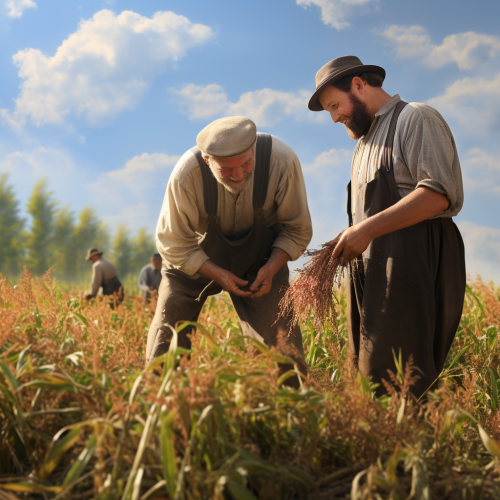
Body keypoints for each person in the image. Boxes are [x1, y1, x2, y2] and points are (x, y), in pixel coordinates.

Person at [308, 55, 466, 398]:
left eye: (335, 106)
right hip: (373, 266)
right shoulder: (363, 144)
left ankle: (415, 447)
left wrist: (365, 231)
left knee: (404, 377)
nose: (335, 118)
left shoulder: (416, 118)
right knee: (366, 370)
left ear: (359, 85)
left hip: (414, 261)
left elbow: (437, 194)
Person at [146, 116, 312, 384]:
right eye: (226, 169)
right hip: (194, 260)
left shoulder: (281, 161)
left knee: (282, 339)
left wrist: (271, 268)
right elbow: (173, 242)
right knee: (168, 328)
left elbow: (297, 229)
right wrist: (219, 274)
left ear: (254, 148)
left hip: (262, 260)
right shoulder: (186, 174)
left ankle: (287, 405)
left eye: (246, 163)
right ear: (208, 161)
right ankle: (161, 401)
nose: (238, 175)